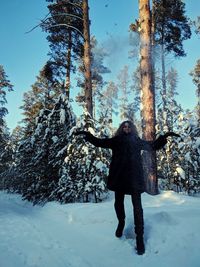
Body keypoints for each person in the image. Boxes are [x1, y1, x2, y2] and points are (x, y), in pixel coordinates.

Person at [75, 120, 180, 255]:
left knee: (137, 207)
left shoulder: (136, 141)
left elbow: (152, 146)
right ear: (121, 128)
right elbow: (100, 142)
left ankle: (140, 238)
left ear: (132, 128)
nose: (126, 128)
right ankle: (121, 223)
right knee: (118, 202)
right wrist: (87, 135)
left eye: (129, 126)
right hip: (119, 177)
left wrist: (164, 137)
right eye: (124, 126)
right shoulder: (116, 140)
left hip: (134, 178)